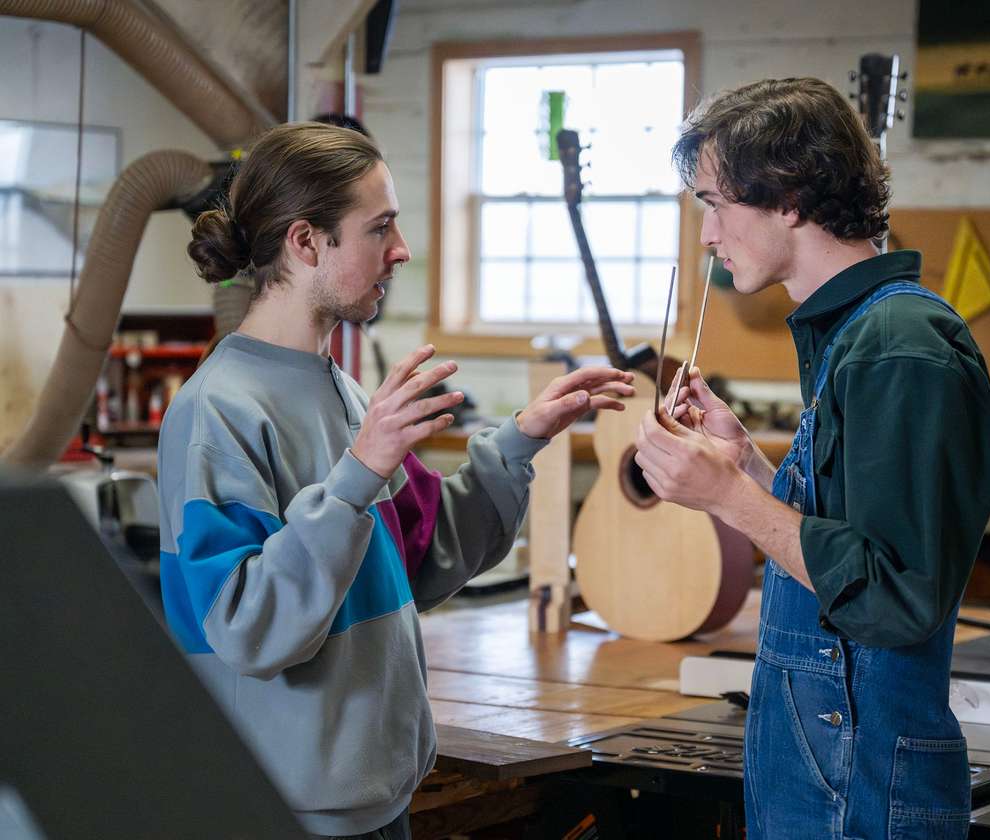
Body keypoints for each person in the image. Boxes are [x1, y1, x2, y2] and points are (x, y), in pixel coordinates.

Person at [159, 122, 634, 839]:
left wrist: (519, 439)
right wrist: (356, 476)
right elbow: (245, 626)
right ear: (306, 242)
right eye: (379, 228)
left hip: (377, 805)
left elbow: (423, 555)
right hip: (285, 815)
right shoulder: (216, 412)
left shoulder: (344, 393)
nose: (401, 251)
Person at [634, 78, 990, 839]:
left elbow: (893, 598)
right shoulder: (856, 337)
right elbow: (847, 539)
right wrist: (748, 469)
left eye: (714, 204)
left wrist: (729, 499)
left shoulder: (896, 346)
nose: (707, 234)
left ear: (789, 196)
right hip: (826, 768)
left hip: (860, 784)